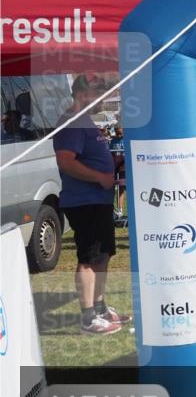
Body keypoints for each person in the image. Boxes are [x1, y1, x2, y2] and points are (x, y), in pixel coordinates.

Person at [53, 74, 130, 335]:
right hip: (84, 201)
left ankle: (99, 308)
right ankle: (88, 316)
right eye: (99, 95)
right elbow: (65, 161)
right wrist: (99, 177)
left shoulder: (85, 122)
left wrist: (112, 167)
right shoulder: (72, 122)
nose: (103, 101)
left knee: (103, 254)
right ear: (83, 95)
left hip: (98, 199)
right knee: (89, 256)